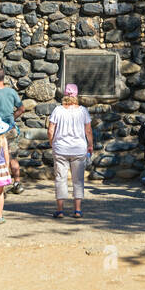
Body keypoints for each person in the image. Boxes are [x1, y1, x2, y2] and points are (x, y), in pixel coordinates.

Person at [48, 84, 93, 218]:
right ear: (76, 96)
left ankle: (60, 210)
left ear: (64, 95)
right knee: (78, 179)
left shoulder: (58, 110)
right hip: (79, 148)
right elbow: (88, 130)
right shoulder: (83, 111)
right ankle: (77, 210)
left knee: (60, 178)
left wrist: (52, 142)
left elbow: (51, 129)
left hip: (60, 148)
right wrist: (90, 145)